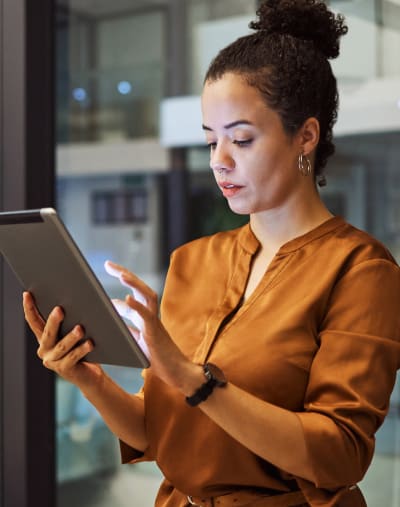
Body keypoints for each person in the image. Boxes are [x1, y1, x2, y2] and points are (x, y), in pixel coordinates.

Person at [23, 1, 400, 506]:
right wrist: (85, 378)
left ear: (305, 136)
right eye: (209, 142)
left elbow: (341, 455)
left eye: (241, 140)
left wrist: (190, 378)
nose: (219, 163)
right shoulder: (191, 261)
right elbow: (157, 435)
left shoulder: (361, 269)